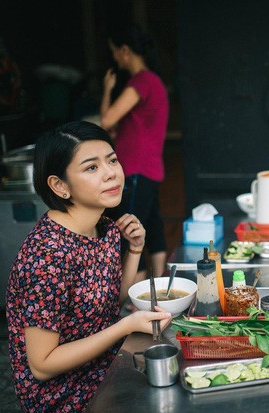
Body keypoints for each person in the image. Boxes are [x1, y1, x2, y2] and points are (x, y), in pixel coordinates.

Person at [5, 121, 171, 413]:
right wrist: (125, 326)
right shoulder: (48, 256)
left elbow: (110, 303)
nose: (111, 173)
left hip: (102, 365)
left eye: (112, 160)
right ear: (60, 186)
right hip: (63, 398)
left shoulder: (105, 227)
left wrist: (135, 249)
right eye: (91, 167)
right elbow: (42, 364)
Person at [100, 24, 169, 282]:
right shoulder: (154, 82)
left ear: (125, 51)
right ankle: (162, 284)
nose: (114, 58)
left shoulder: (141, 81)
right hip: (149, 167)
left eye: (114, 52)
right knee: (152, 224)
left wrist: (108, 87)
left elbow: (107, 120)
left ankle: (131, 294)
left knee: (129, 229)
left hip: (136, 168)